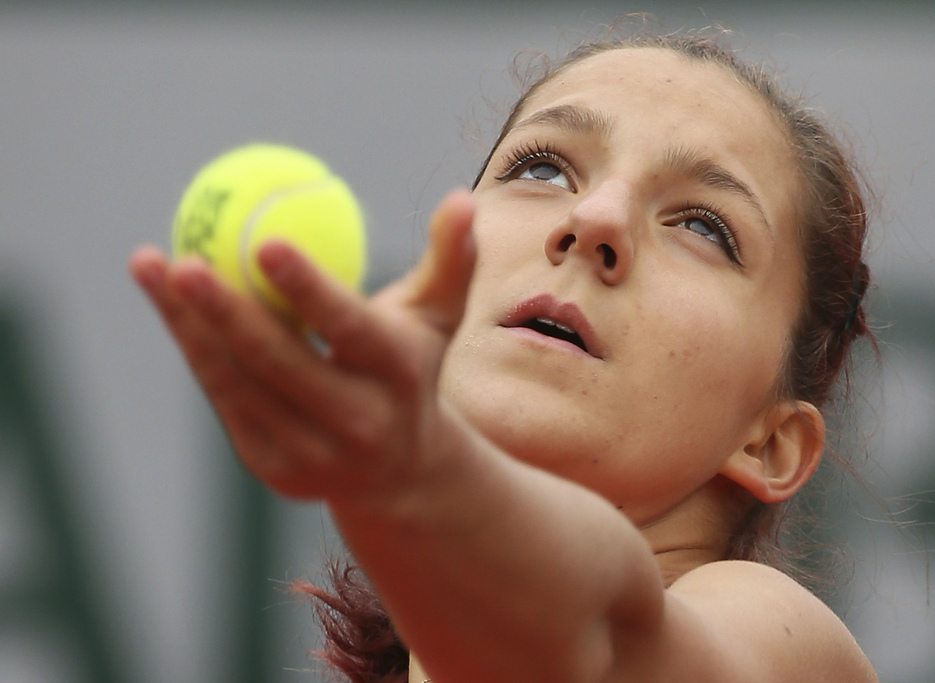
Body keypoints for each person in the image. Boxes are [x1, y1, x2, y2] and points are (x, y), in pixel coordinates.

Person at [130, 28, 879, 683]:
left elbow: (591, 653)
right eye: (543, 169)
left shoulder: (786, 650)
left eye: (704, 226)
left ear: (770, 440)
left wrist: (412, 470)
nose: (594, 218)